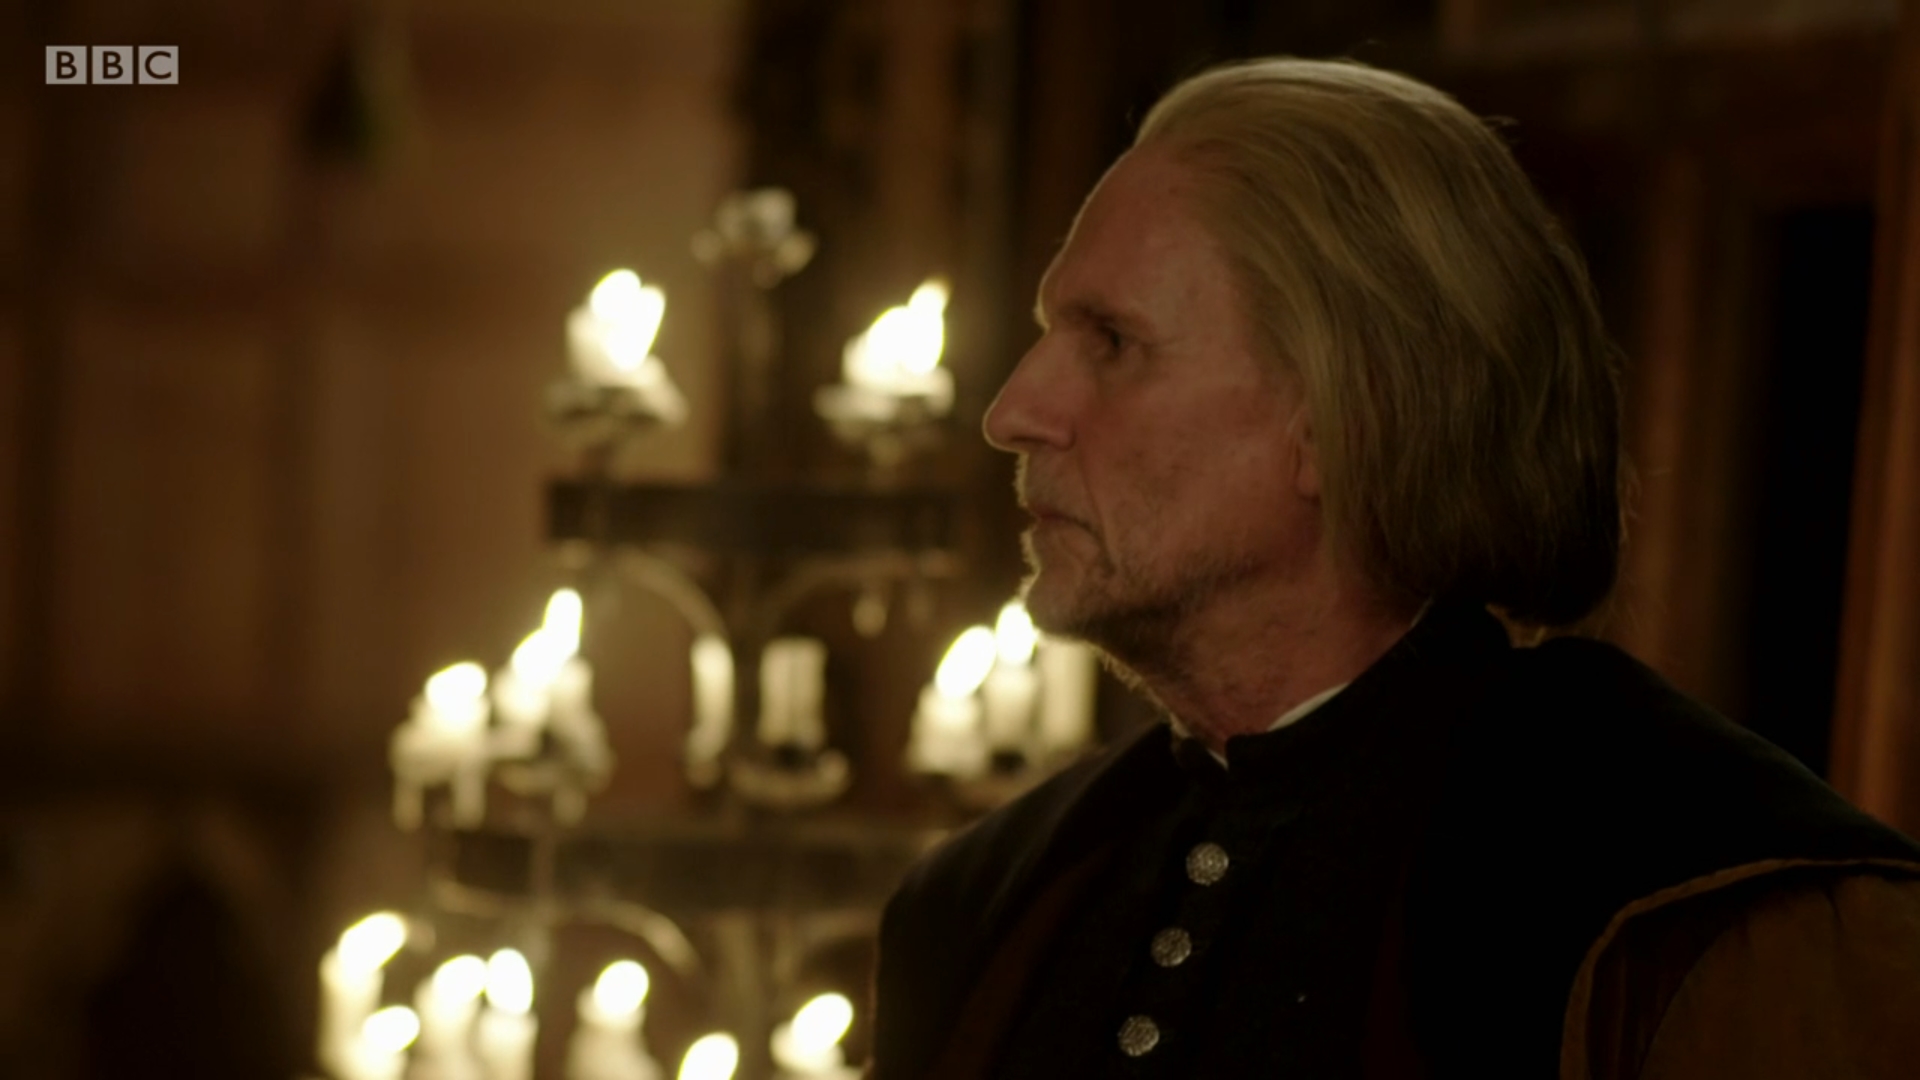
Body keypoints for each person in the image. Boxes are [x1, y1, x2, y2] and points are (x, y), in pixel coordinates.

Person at [869, 58, 1920, 1079]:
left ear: (1341, 419)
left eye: (1111, 342)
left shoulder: (1687, 907)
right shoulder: (987, 902)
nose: (1015, 413)